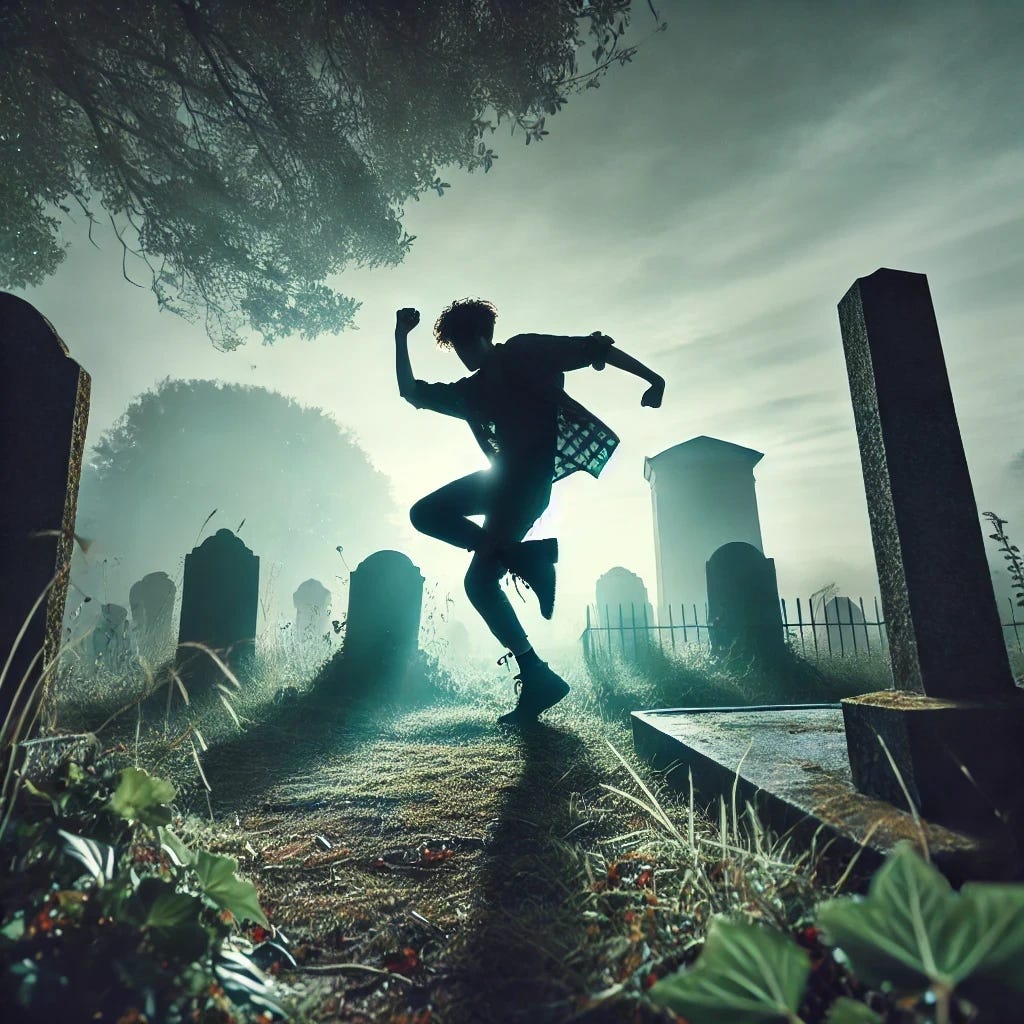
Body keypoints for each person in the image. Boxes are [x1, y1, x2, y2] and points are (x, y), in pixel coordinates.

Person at [395, 298, 664, 725]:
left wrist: (653, 379)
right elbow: (412, 393)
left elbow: (596, 349)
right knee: (427, 516)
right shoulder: (471, 391)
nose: (464, 356)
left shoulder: (524, 351)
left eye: (468, 345)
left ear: (485, 336)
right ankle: (530, 595)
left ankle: (536, 664)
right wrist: (400, 336)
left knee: (478, 582)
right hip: (501, 481)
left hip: (524, 486)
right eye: (458, 349)